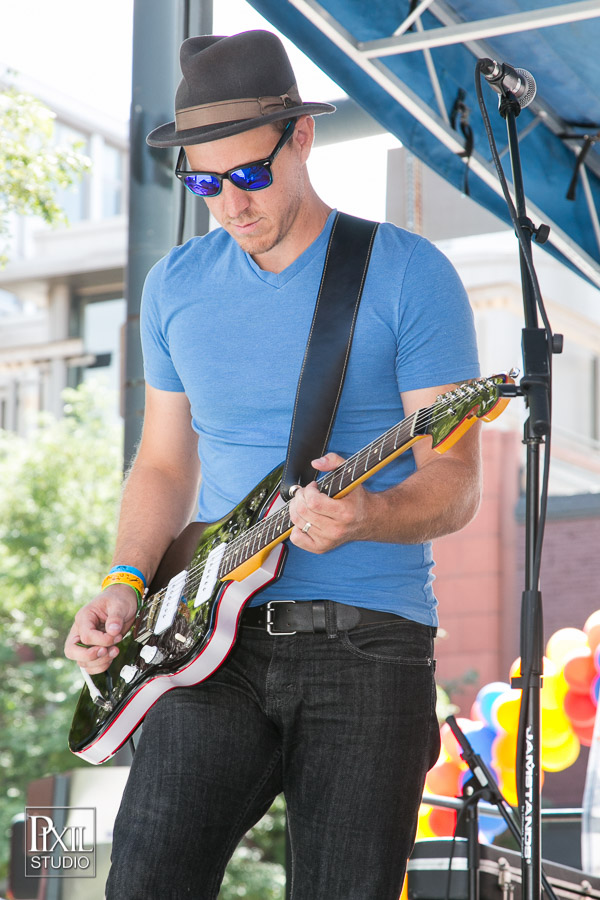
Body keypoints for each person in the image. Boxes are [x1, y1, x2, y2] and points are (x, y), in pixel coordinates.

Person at [65, 29, 481, 900]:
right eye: (204, 182)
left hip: (369, 644)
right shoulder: (175, 287)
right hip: (208, 642)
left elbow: (454, 484)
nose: (230, 203)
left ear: (301, 138)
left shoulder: (409, 274)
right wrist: (124, 580)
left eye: (248, 174)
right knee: (141, 883)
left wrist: (369, 515)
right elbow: (164, 464)